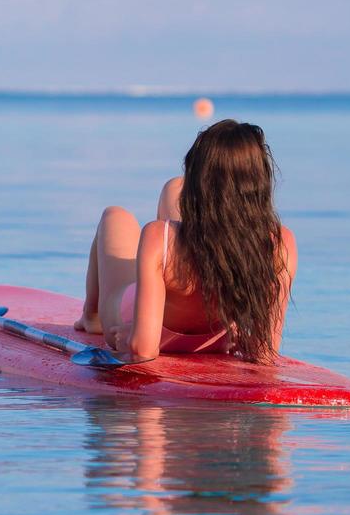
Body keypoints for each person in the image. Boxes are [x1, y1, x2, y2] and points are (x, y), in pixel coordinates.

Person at [74, 120, 297, 364]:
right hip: (217, 339)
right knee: (173, 187)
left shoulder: (157, 236)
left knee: (115, 216)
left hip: (137, 320)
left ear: (197, 180)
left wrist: (132, 337)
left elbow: (143, 351)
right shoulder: (280, 242)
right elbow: (264, 350)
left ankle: (91, 316)